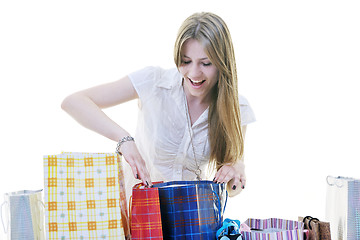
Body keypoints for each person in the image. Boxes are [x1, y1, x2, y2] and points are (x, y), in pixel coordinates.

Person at [61, 12, 255, 201]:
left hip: (188, 221)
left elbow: (231, 189)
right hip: (140, 218)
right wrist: (124, 140)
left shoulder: (237, 107)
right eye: (186, 61)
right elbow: (73, 102)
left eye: (206, 63)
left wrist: (236, 171)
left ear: (223, 63)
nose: (194, 73)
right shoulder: (153, 82)